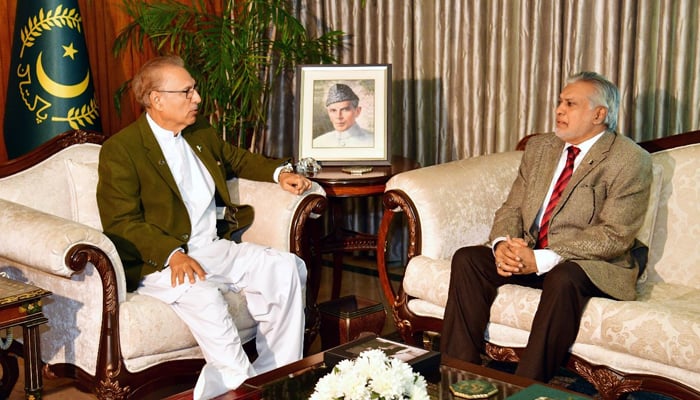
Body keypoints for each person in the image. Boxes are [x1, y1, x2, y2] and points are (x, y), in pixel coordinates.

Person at [96, 55, 312, 399]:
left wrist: (279, 173)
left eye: (194, 90)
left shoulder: (200, 133)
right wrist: (171, 255)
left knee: (284, 268)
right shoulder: (121, 150)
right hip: (161, 262)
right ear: (156, 99)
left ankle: (277, 379)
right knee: (206, 298)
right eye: (187, 92)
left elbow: (238, 159)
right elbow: (120, 222)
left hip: (212, 247)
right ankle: (240, 386)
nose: (197, 98)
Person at [440, 71, 652, 383]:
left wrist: (541, 258)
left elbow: (614, 235)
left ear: (599, 114)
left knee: (564, 276)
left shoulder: (629, 159)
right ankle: (459, 379)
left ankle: (524, 387)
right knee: (468, 259)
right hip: (531, 253)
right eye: (559, 102)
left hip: (588, 264)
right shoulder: (541, 148)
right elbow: (512, 206)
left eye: (570, 103)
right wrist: (503, 245)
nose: (559, 110)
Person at [312, 83, 374, 147]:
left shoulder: (373, 142)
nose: (338, 116)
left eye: (345, 110)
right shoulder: (317, 143)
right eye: (333, 110)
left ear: (357, 111)